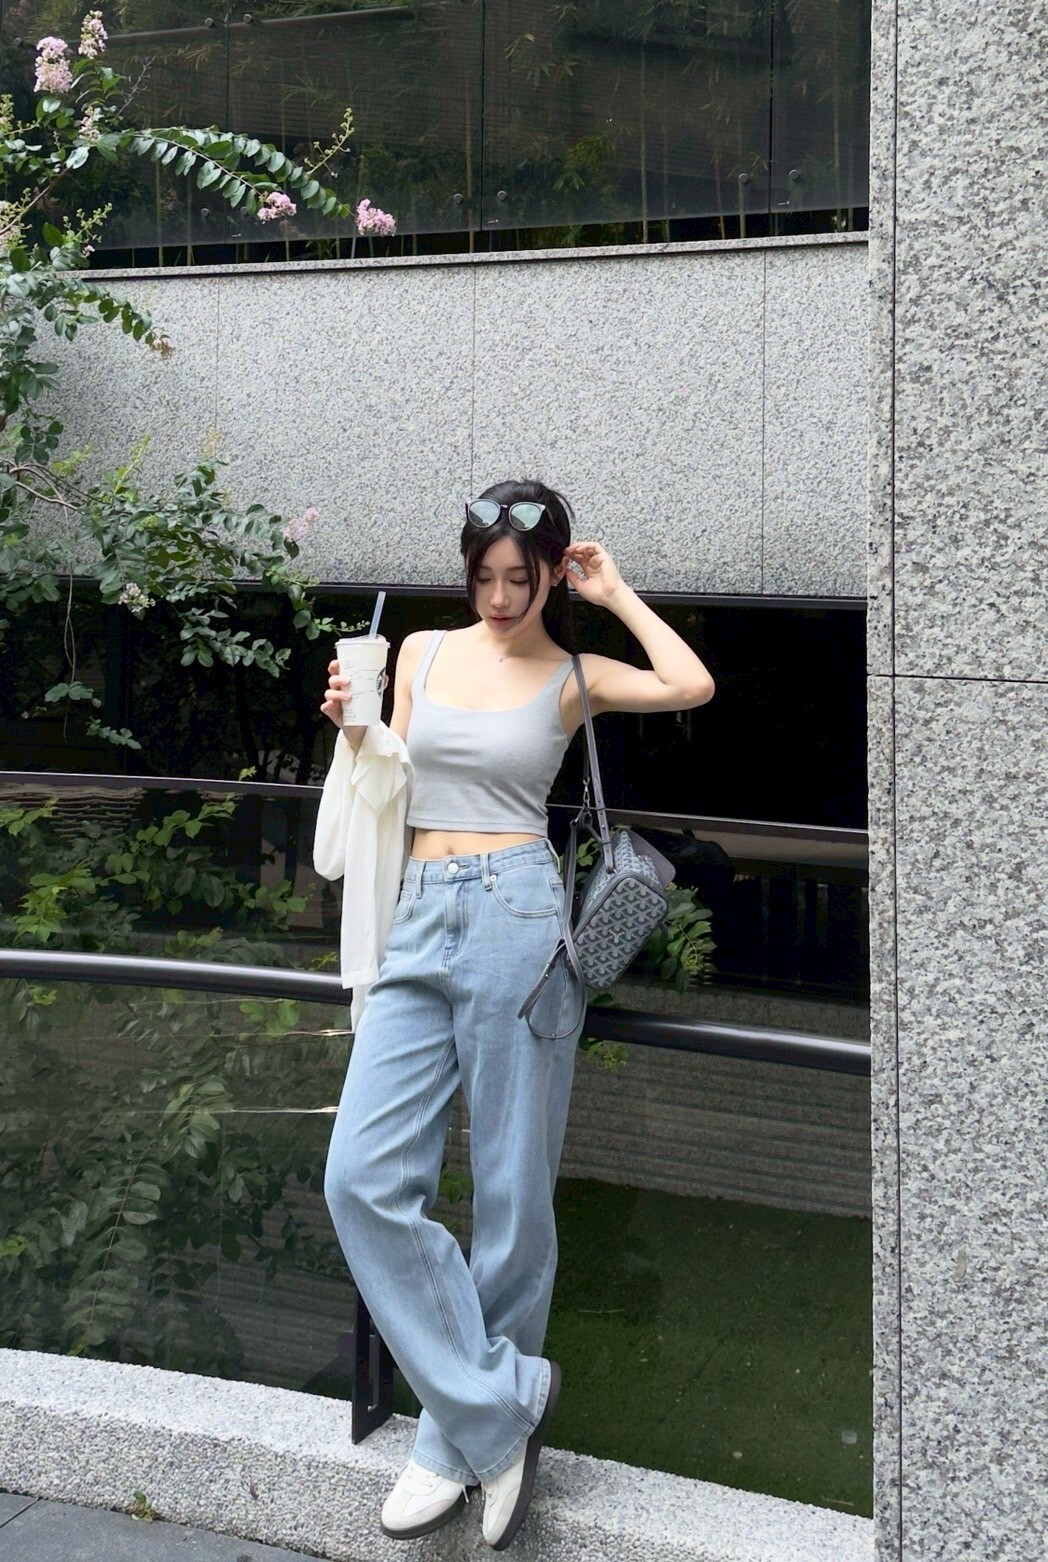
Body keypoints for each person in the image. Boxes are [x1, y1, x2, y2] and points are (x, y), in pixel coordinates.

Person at [320, 479, 714, 1550]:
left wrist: (615, 591)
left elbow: (690, 681)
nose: (499, 598)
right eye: (484, 577)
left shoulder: (573, 676)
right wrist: (353, 729)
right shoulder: (419, 653)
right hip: (417, 914)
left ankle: (452, 1443)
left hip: (518, 917)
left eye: (521, 579)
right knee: (360, 1176)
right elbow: (392, 779)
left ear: (551, 577)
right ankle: (498, 1410)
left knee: (509, 1192)